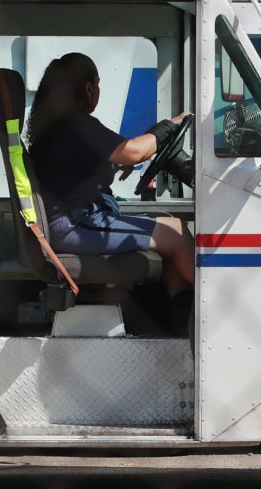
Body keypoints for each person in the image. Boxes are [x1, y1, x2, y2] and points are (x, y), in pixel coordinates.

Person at [25, 52, 194, 331]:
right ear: (89, 88)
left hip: (75, 220)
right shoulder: (77, 124)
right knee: (176, 233)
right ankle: (211, 310)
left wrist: (114, 165)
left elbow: (87, 166)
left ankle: (181, 308)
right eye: (98, 84)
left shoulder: (57, 126)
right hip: (77, 226)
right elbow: (134, 152)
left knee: (165, 217)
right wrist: (171, 126)